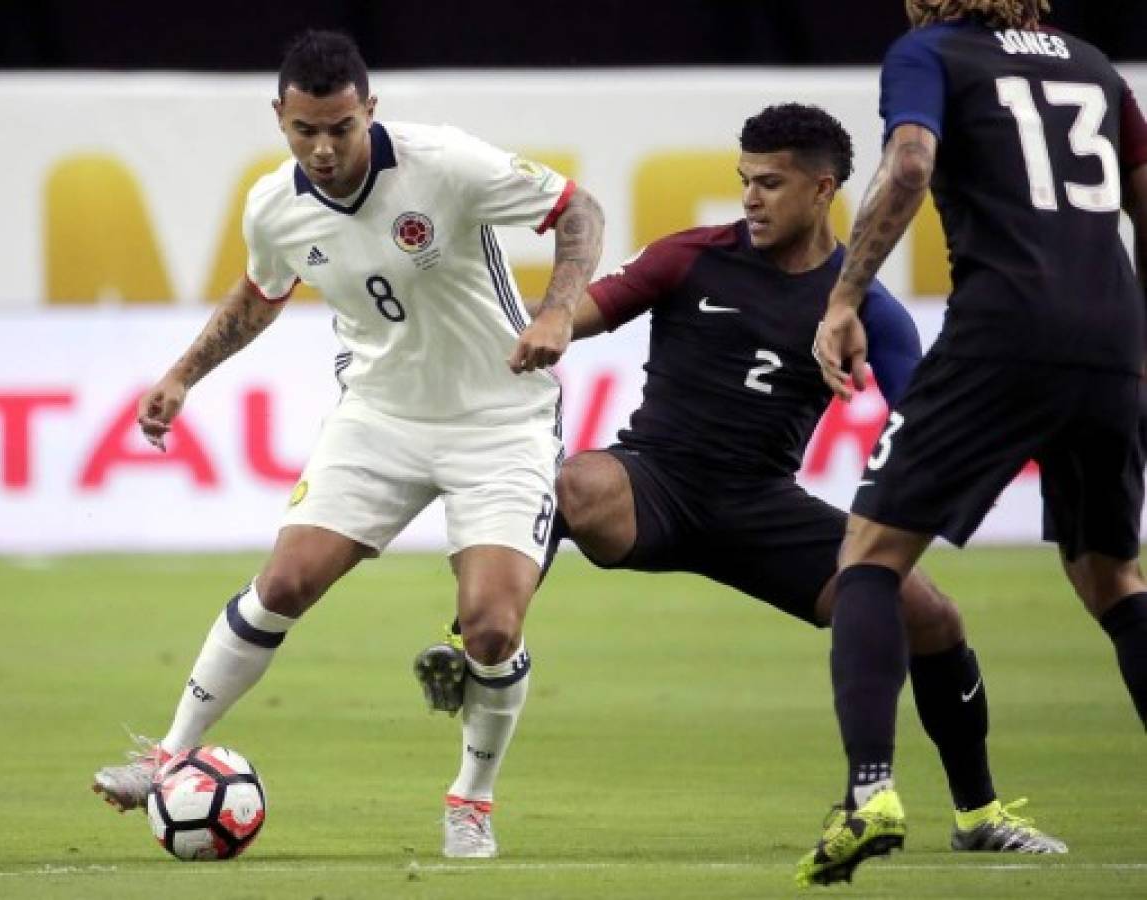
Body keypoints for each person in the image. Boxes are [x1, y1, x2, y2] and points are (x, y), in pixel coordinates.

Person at [415, 102, 1066, 858]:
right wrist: (548, 324)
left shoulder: (864, 310)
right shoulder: (689, 255)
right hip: (653, 483)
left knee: (931, 617)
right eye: (743, 181)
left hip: (761, 508)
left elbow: (922, 423)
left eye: (771, 183)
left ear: (824, 190)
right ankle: (477, 645)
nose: (750, 199)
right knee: (572, 484)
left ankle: (977, 814)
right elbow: (573, 316)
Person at [91, 28, 604, 860]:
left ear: (370, 109)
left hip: (498, 417)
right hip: (380, 417)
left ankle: (469, 802)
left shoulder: (444, 162)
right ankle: (167, 755)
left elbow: (577, 209)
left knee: (490, 631)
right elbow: (260, 296)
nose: (324, 148)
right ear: (280, 119)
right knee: (283, 581)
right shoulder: (272, 204)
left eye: (341, 127)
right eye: (305, 131)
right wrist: (183, 374)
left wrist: (555, 309)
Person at [799, 0, 1147, 886]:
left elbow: (910, 163)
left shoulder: (929, 52)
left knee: (870, 555)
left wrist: (844, 299)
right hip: (1112, 340)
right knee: (1112, 576)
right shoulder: (1092, 63)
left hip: (1002, 331)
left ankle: (870, 791)